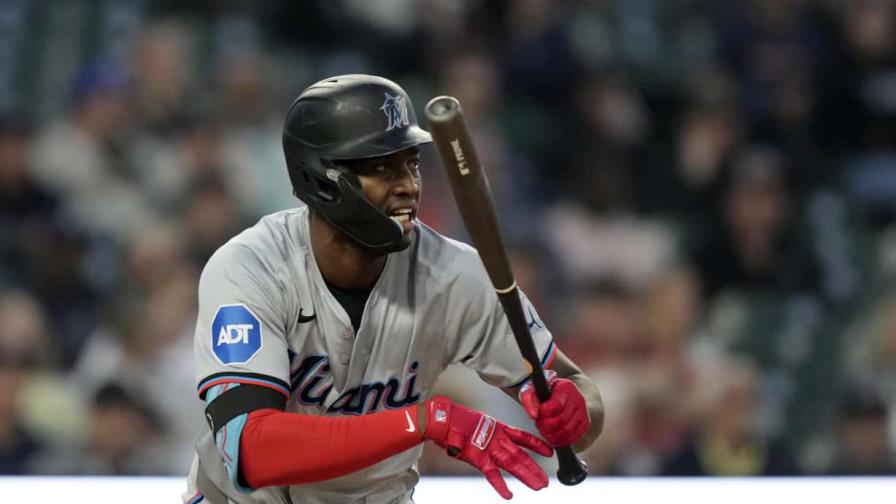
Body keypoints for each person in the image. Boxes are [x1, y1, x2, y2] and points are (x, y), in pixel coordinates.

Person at [183, 74, 604, 503]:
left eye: (412, 163)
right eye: (382, 167)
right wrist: (425, 420)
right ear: (322, 178)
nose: (409, 184)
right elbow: (251, 451)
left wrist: (573, 411)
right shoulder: (251, 267)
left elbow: (575, 389)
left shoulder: (454, 274)